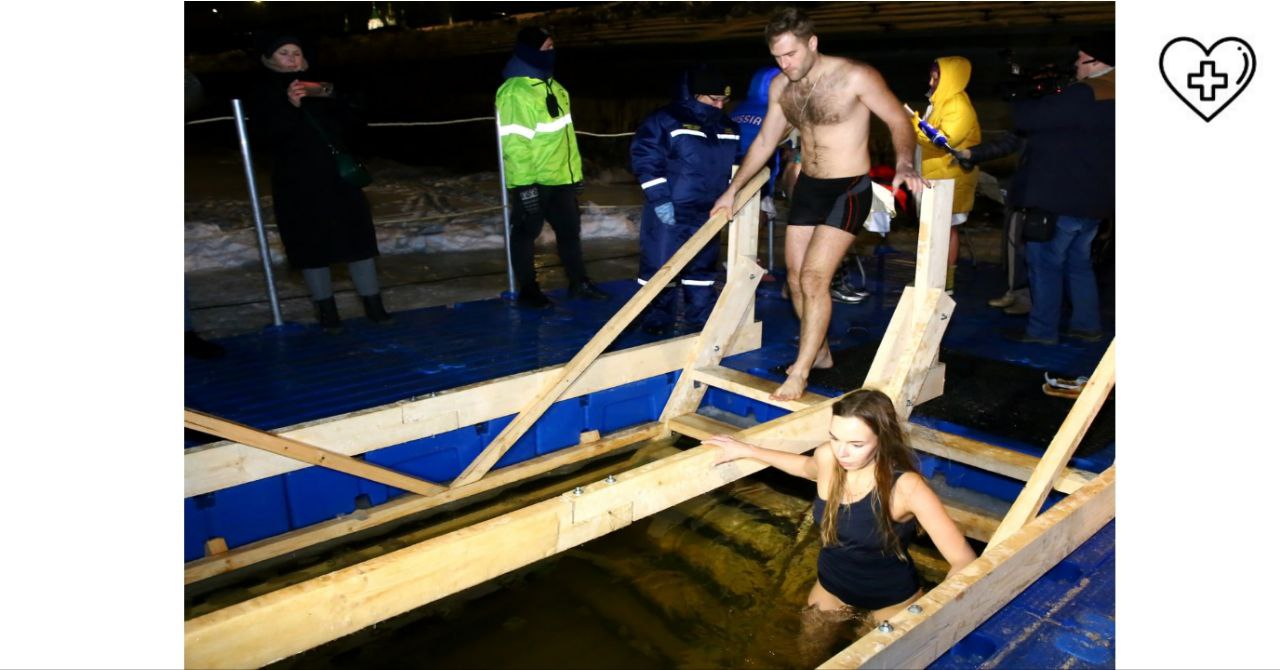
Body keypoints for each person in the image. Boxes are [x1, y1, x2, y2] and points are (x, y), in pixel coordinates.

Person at [711, 7, 928, 402]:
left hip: (849, 188)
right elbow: (764, 142)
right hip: (810, 187)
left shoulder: (855, 76)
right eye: (777, 56)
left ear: (812, 43)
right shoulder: (782, 86)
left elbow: (898, 120)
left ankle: (801, 370)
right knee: (794, 279)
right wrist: (733, 189)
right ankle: (822, 352)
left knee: (814, 279)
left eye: (791, 54)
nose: (785, 63)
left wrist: (901, 163)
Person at [705, 388, 976, 623]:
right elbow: (803, 467)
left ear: (882, 440)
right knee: (806, 653)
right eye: (835, 438)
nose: (842, 452)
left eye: (856, 444)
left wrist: (932, 612)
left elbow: (963, 560)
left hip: (890, 600)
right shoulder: (828, 457)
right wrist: (748, 450)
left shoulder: (907, 488)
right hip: (831, 586)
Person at [251, 34, 391, 334]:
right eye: (284, 52)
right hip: (297, 183)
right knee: (310, 244)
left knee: (358, 242)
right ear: (270, 59)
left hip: (338, 179)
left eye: (296, 52)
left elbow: (357, 123)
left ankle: (374, 306)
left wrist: (334, 96)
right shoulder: (264, 94)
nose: (292, 58)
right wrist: (289, 106)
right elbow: (265, 140)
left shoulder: (322, 87)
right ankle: (327, 312)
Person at [998, 37, 1114, 345]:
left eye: (1081, 59)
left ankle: (1041, 332)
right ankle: (1086, 326)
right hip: (1094, 201)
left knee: (1045, 264)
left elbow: (1027, 118)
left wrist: (1020, 93)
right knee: (1079, 264)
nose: (1075, 64)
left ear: (1099, 63)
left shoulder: (1085, 94)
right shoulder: (1114, 95)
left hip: (1060, 197)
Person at [497, 26, 609, 309]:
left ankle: (578, 282)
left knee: (570, 232)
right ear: (529, 52)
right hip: (534, 179)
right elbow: (514, 143)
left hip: (560, 178)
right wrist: (524, 186)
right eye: (545, 48)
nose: (551, 53)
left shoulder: (555, 87)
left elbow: (565, 138)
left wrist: (575, 175)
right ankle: (528, 290)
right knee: (525, 234)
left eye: (551, 47)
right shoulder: (515, 92)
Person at [630, 64, 742, 335]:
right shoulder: (665, 120)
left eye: (723, 100)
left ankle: (701, 321)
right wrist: (660, 199)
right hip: (670, 212)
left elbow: (737, 165)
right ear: (694, 94)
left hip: (710, 213)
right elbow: (646, 158)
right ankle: (656, 322)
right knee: (660, 268)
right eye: (712, 99)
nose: (718, 105)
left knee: (702, 271)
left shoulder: (729, 127)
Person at [910, 57, 981, 296]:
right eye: (931, 76)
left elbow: (944, 141)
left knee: (946, 229)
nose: (931, 81)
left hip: (950, 178)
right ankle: (932, 278)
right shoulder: (940, 102)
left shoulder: (957, 105)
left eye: (937, 77)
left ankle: (944, 282)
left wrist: (915, 127)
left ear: (951, 79)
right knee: (935, 229)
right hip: (936, 175)